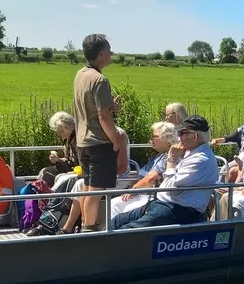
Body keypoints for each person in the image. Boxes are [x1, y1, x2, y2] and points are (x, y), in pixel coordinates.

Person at [111, 115, 218, 229]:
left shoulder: (201, 160)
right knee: (116, 221)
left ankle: (107, 245)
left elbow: (170, 187)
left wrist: (172, 160)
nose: (178, 138)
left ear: (194, 136)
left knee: (127, 229)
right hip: (163, 204)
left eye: (181, 133)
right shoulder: (189, 153)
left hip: (180, 210)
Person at [73, 33, 121, 233]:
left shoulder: (80, 74)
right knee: (95, 191)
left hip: (82, 141)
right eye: (109, 50)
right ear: (101, 54)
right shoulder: (100, 80)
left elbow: (93, 107)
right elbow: (103, 117)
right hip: (99, 142)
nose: (111, 53)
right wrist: (116, 140)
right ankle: (89, 229)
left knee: (86, 187)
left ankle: (85, 225)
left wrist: (111, 107)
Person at [57, 126, 130, 234]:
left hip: (119, 177)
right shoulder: (98, 136)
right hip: (102, 175)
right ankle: (77, 225)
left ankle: (84, 226)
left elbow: (122, 167)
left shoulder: (119, 135)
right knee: (78, 183)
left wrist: (98, 173)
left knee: (84, 184)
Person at [109, 121, 177, 219]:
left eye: (155, 136)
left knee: (127, 210)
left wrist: (133, 190)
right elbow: (141, 176)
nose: (151, 139)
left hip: (151, 197)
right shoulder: (157, 156)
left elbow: (151, 179)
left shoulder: (168, 157)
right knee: (113, 204)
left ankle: (123, 232)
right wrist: (132, 189)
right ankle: (112, 232)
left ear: (166, 138)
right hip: (140, 194)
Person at [211, 103, 244, 182]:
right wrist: (217, 140)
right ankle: (220, 187)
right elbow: (229, 138)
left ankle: (225, 188)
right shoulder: (243, 129)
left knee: (230, 170)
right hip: (241, 157)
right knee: (225, 168)